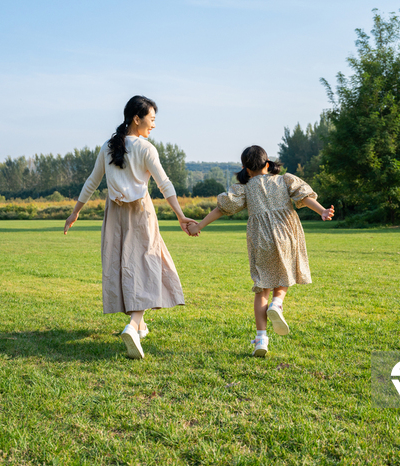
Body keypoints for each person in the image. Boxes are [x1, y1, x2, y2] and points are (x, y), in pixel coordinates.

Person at [64, 95, 197, 359]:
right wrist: (181, 216)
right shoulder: (146, 148)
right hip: (140, 213)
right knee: (147, 266)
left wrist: (75, 212)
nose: (154, 125)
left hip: (114, 214)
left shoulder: (108, 147)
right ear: (137, 119)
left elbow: (92, 181)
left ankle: (140, 324)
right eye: (152, 119)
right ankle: (134, 324)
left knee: (123, 265)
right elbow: (164, 184)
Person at [187, 145, 334, 357]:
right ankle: (278, 302)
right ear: (267, 164)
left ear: (246, 169)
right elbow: (303, 197)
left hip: (260, 238)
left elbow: (222, 208)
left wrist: (199, 226)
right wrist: (322, 211)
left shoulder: (244, 188)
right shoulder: (284, 180)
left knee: (262, 286)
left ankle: (261, 339)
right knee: (286, 272)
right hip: (286, 233)